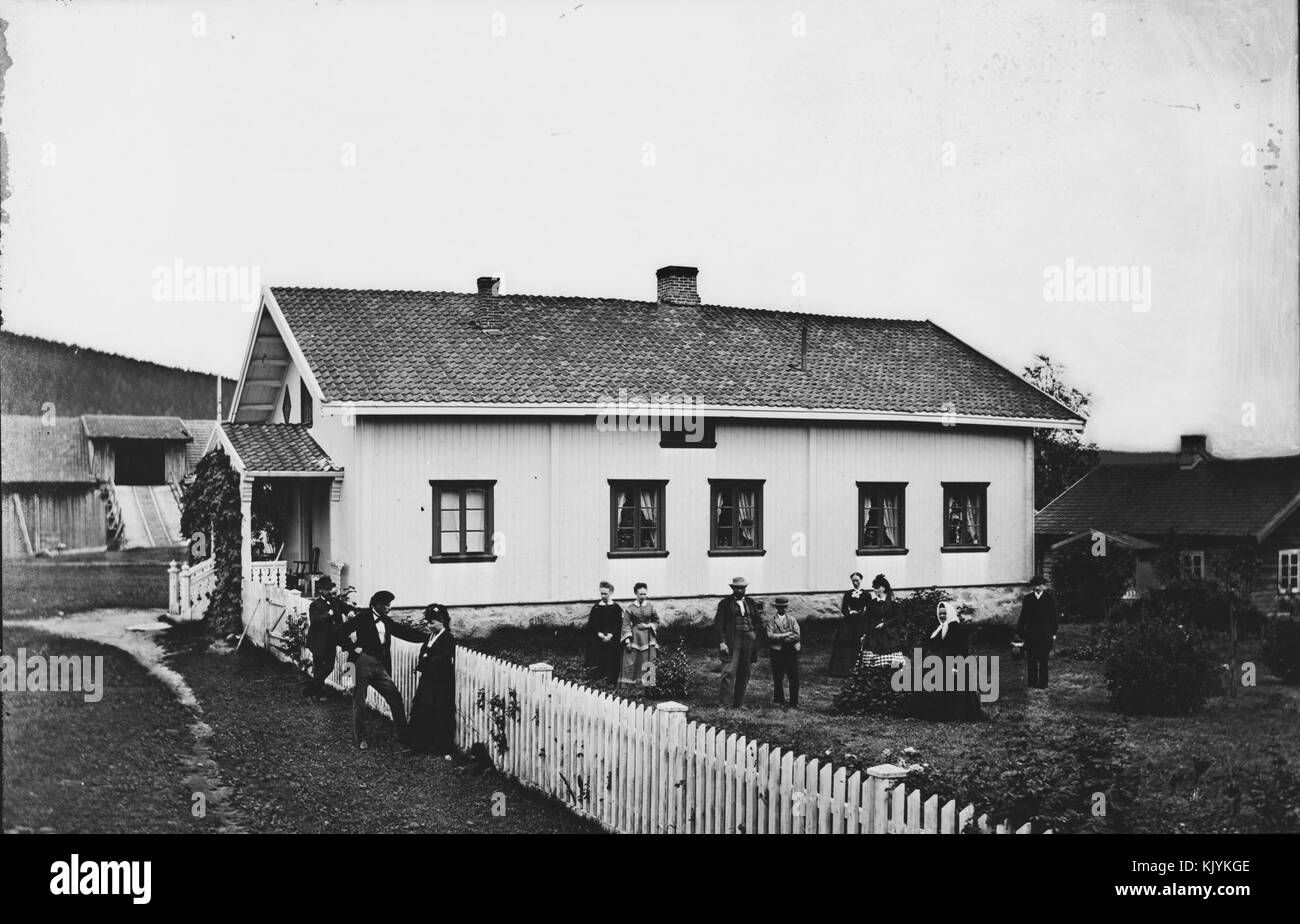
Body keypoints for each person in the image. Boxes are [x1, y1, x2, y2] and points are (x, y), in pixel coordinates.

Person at [335, 590, 425, 749]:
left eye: (389, 604)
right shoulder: (362, 617)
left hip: (379, 664)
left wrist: (427, 638)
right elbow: (339, 633)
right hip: (361, 663)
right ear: (375, 604)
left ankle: (404, 737)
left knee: (395, 697)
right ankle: (361, 738)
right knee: (360, 702)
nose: (388, 607)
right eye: (385, 605)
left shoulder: (386, 620)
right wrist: (353, 647)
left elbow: (404, 632)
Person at [408, 603, 456, 759]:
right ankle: (420, 742)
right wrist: (424, 660)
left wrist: (427, 662)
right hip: (428, 679)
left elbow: (444, 658)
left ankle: (440, 746)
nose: (429, 626)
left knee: (439, 709)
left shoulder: (447, 638)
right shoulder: (430, 637)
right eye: (428, 622)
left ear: (442, 621)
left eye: (432, 622)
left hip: (440, 681)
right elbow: (423, 654)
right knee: (423, 708)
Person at [715, 577, 765, 707]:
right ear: (732, 588)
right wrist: (722, 642)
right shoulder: (725, 603)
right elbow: (719, 624)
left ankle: (738, 703)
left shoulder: (751, 602)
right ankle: (723, 704)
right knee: (728, 672)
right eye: (737, 587)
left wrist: (754, 634)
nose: (739, 590)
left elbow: (758, 621)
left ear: (745, 588)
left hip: (748, 640)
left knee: (744, 672)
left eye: (742, 587)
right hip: (732, 640)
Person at [929, 602, 982, 721]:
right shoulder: (940, 628)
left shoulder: (956, 628)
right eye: (940, 613)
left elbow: (962, 649)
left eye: (944, 613)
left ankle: (959, 715)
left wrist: (956, 667)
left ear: (950, 613)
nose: (942, 616)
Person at [303, 576, 348, 701]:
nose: (329, 591)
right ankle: (317, 693)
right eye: (326, 589)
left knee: (329, 667)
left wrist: (353, 611)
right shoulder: (314, 605)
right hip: (318, 641)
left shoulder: (335, 601)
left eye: (330, 589)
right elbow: (315, 620)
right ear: (320, 590)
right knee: (318, 667)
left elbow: (346, 608)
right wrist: (328, 615)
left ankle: (309, 689)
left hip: (331, 641)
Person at [1017, 575, 1058, 689]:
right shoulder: (1028, 598)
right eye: (1036, 585)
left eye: (1040, 585)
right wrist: (1020, 632)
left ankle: (1043, 683)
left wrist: (1053, 633)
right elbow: (1023, 616)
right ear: (1033, 586)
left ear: (1044, 586)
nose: (1038, 587)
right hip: (1031, 634)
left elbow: (1053, 616)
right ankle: (1032, 682)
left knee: (1044, 659)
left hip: (1045, 633)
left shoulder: (1049, 598)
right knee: (1031, 659)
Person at [861, 575, 906, 668]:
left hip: (890, 632)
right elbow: (867, 619)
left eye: (877, 587)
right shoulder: (872, 603)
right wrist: (865, 633)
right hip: (874, 633)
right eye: (874, 588)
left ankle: (890, 674)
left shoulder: (892, 602)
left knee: (892, 658)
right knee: (872, 657)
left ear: (883, 588)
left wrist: (885, 624)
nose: (875, 590)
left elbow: (899, 617)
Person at [830, 572, 870, 676]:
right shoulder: (848, 594)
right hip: (849, 622)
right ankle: (844, 668)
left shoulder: (866, 594)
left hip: (860, 621)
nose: (855, 583)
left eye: (857, 580)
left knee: (858, 642)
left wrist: (860, 613)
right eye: (853, 581)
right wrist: (849, 613)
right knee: (845, 643)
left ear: (861, 580)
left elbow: (869, 609)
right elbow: (844, 608)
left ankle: (858, 667)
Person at [619, 583, 659, 688]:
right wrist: (627, 640)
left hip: (648, 637)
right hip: (635, 637)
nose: (643, 596)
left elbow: (656, 621)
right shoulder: (630, 608)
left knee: (647, 660)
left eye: (644, 594)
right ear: (636, 594)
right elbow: (626, 624)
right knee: (632, 660)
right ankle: (631, 686)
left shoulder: (651, 607)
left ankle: (648, 686)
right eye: (640, 594)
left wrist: (648, 625)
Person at [765, 596, 801, 708]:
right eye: (780, 607)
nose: (782, 609)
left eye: (784, 607)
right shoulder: (771, 620)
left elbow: (797, 635)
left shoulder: (792, 619)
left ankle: (794, 702)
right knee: (778, 676)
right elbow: (770, 636)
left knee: (794, 676)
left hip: (790, 651)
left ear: (787, 607)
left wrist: (785, 639)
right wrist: (785, 635)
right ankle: (779, 700)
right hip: (777, 651)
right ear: (776, 608)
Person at [584, 581, 623, 684]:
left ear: (610, 593)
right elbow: (592, 623)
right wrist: (599, 633)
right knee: (597, 654)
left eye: (605, 593)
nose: (603, 596)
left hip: (612, 637)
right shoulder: (596, 607)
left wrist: (611, 634)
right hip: (599, 637)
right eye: (601, 593)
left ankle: (611, 679)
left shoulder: (616, 608)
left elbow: (618, 623)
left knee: (612, 656)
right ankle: (598, 678)